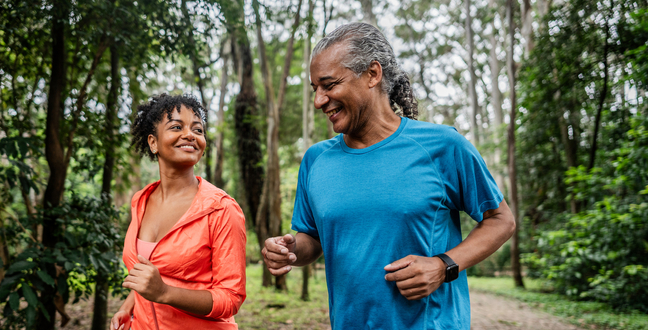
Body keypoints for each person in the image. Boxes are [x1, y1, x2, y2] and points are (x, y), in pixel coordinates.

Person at [260, 22, 516, 329]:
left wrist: (442, 266)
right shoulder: (316, 160)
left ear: (372, 74)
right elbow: (312, 239)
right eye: (315, 89)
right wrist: (289, 252)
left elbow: (501, 220)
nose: (319, 101)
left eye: (329, 85)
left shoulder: (442, 146)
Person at [110, 94, 246, 330]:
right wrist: (126, 308)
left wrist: (164, 293)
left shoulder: (222, 209)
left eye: (198, 130)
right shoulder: (140, 201)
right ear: (153, 143)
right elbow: (148, 275)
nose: (190, 135)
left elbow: (230, 298)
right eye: (176, 127)